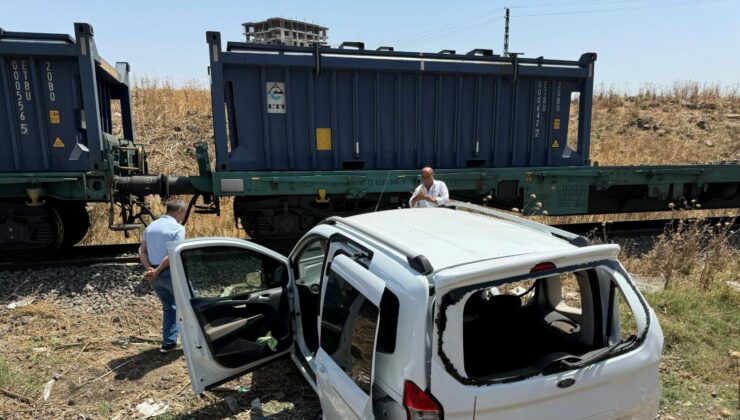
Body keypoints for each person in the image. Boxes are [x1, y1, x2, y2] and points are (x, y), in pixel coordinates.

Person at [139, 199, 187, 353]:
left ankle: (168, 343)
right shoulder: (177, 228)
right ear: (179, 211)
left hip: (154, 275)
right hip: (169, 272)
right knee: (188, 305)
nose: (182, 216)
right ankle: (195, 342)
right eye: (183, 213)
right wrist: (158, 270)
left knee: (169, 307)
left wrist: (150, 270)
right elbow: (172, 254)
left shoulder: (150, 227)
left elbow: (142, 251)